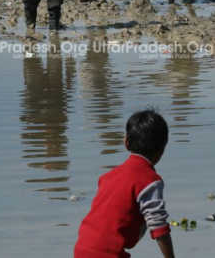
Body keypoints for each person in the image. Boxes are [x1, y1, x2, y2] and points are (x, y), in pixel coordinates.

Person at [74, 109, 175, 258]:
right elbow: (159, 227)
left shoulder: (107, 177)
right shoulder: (149, 181)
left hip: (81, 251)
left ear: (126, 142)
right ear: (162, 150)